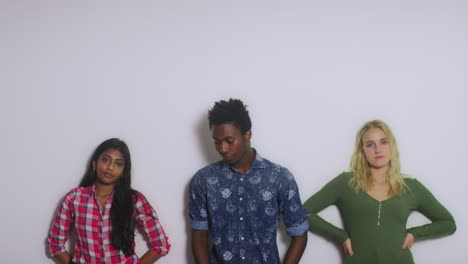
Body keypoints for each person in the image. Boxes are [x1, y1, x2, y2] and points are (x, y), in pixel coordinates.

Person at [303, 120, 456, 264]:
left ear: (392, 146)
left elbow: (448, 223)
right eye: (370, 145)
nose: (378, 149)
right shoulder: (346, 183)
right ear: (362, 151)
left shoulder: (410, 187)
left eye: (383, 142)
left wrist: (414, 234)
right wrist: (340, 236)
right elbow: (303, 212)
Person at [189, 98, 309, 264]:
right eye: (217, 142)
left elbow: (300, 232)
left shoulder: (279, 177)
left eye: (229, 141)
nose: (223, 148)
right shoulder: (203, 180)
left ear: (247, 135)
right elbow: (199, 237)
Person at [47, 138, 170, 264]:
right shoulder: (74, 199)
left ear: (123, 171)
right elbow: (55, 245)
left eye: (118, 164)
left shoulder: (134, 200)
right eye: (105, 160)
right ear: (95, 164)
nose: (110, 167)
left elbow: (160, 245)